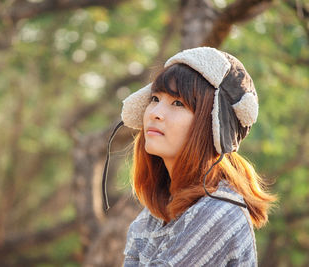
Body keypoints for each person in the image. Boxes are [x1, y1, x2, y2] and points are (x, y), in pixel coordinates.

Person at [101, 47, 276, 266]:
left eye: (177, 103)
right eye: (155, 98)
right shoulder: (151, 217)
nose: (155, 112)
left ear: (212, 127)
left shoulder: (218, 213)